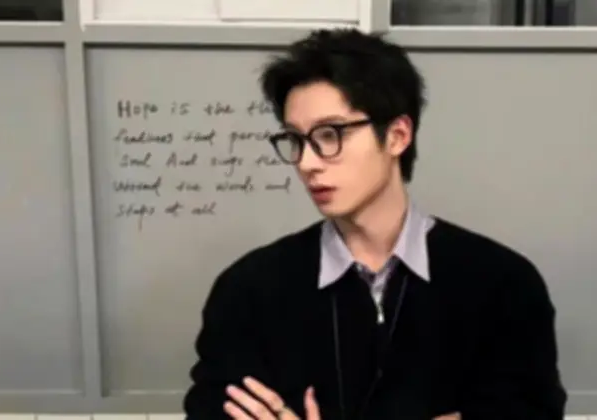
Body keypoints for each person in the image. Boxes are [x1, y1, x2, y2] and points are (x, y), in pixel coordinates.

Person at [183, 28, 567, 420]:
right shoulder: (249, 289)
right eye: (296, 140)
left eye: (330, 135)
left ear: (398, 136)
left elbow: (531, 411)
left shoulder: (502, 284)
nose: (307, 162)